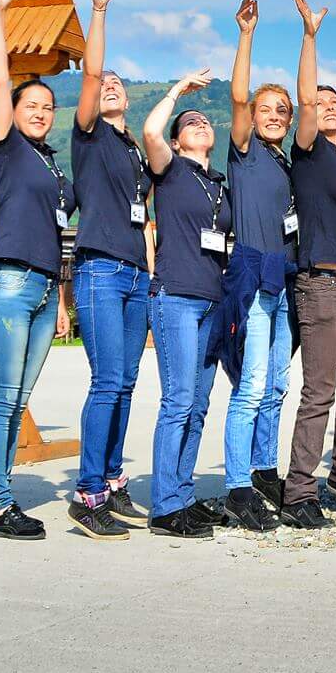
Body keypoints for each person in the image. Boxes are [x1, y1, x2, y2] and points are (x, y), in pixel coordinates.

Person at [0, 0, 77, 540]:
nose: (39, 112)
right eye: (30, 104)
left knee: (20, 401)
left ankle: (2, 493)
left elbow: (55, 233)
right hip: (7, 284)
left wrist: (60, 297)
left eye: (46, 107)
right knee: (0, 397)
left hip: (41, 287)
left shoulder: (50, 164)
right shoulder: (6, 147)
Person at [278, 0, 336, 530]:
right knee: (320, 388)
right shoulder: (310, 150)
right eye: (323, 103)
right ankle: (297, 492)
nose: (329, 107)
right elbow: (306, 102)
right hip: (321, 281)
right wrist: (311, 36)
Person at [68, 0, 152, 539]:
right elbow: (93, 71)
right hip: (98, 269)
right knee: (105, 382)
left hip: (136, 275)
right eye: (105, 85)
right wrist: (98, 9)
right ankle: (87, 491)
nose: (111, 86)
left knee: (125, 381)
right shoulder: (90, 134)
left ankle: (113, 480)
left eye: (121, 83)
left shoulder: (135, 151)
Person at [220, 0, 298, 531]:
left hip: (284, 279)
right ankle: (236, 485)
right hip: (252, 276)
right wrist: (246, 35)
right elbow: (238, 97)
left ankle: (265, 467)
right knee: (249, 387)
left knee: (275, 386)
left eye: (281, 110)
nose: (271, 116)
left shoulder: (285, 162)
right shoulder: (245, 153)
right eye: (265, 110)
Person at [142, 71, 225, 541]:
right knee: (177, 401)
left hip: (212, 302)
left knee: (197, 406)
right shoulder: (169, 170)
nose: (200, 123)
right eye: (190, 122)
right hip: (175, 296)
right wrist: (177, 92)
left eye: (204, 120)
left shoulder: (217, 183)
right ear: (177, 139)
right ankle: (165, 506)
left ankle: (184, 495)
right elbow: (151, 131)